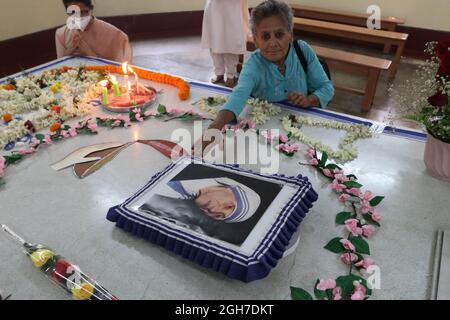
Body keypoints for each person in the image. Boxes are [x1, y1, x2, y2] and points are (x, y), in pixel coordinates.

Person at [198, 0, 334, 152]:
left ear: (290, 34)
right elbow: (239, 94)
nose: (273, 43)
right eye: (265, 36)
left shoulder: (302, 51)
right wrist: (214, 127)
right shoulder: (253, 65)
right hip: (266, 137)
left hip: (301, 132)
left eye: (279, 34)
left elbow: (326, 88)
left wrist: (309, 100)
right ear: (255, 40)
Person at [138, 178, 262, 245]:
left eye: (218, 216)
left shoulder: (169, 196)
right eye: (229, 206)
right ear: (232, 189)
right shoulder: (198, 166)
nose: (213, 210)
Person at [55, 0, 133, 63]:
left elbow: (121, 69)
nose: (79, 17)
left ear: (91, 9)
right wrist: (70, 51)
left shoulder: (114, 35)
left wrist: (89, 53)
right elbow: (59, 65)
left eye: (84, 12)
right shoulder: (61, 34)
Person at [201, 0, 251, 88]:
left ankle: (231, 76)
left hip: (231, 8)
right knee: (214, 41)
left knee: (231, 42)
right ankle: (219, 73)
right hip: (214, 7)